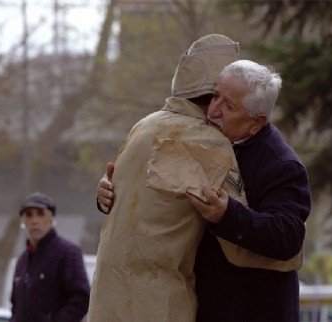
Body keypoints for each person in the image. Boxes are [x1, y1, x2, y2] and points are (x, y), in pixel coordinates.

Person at [97, 59, 312, 322]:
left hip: (254, 311)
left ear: (257, 123)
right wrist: (110, 190)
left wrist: (227, 216)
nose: (213, 110)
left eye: (229, 105)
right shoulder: (201, 141)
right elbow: (154, 187)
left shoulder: (281, 164)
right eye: (215, 96)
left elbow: (288, 236)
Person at [87, 34, 243, 322]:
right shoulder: (207, 141)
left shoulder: (143, 126)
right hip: (160, 304)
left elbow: (129, 197)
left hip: (105, 302)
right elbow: (240, 242)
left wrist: (103, 194)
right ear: (216, 96)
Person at [10, 192, 90, 322]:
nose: (35, 220)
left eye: (40, 214)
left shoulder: (67, 253)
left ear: (51, 218)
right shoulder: (22, 261)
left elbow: (82, 298)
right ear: (23, 221)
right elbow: (15, 306)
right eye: (29, 215)